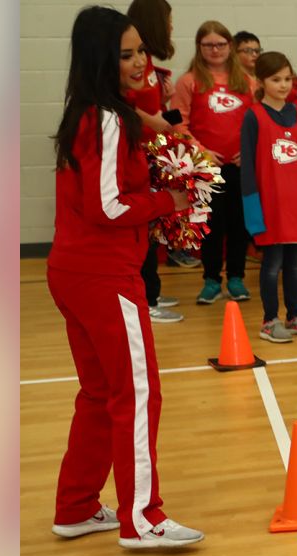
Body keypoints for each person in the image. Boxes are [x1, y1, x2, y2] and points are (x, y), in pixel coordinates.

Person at [49, 5, 204, 549]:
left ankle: (76, 506)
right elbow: (108, 208)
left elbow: (129, 133)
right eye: (127, 54)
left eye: (141, 50)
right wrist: (171, 199)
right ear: (102, 59)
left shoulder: (89, 111)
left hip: (71, 271)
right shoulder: (109, 120)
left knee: (98, 393)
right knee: (138, 394)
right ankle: (142, 519)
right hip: (104, 274)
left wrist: (156, 126)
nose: (141, 62)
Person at [241, 51, 297, 342]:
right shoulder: (253, 116)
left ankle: (295, 317)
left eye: (287, 78)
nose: (283, 85)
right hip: (270, 207)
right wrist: (254, 212)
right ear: (260, 81)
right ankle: (269, 321)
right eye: (275, 79)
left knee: (295, 264)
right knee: (272, 265)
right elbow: (248, 170)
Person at [172, 21, 257, 305]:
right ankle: (211, 280)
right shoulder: (188, 81)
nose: (215, 49)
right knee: (210, 225)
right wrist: (201, 150)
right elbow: (176, 122)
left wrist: (249, 150)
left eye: (220, 44)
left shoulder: (246, 81)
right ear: (199, 48)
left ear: (230, 46)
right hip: (205, 167)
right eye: (208, 44)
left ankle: (236, 277)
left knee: (238, 224)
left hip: (241, 167)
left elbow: (259, 121)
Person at [125, 0, 183, 322]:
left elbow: (155, 114)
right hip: (136, 157)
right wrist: (156, 120)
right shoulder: (131, 64)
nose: (172, 27)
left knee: (152, 230)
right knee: (144, 228)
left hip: (151, 153)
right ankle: (145, 301)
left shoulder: (147, 63)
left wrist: (165, 102)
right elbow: (125, 108)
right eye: (169, 20)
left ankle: (153, 291)